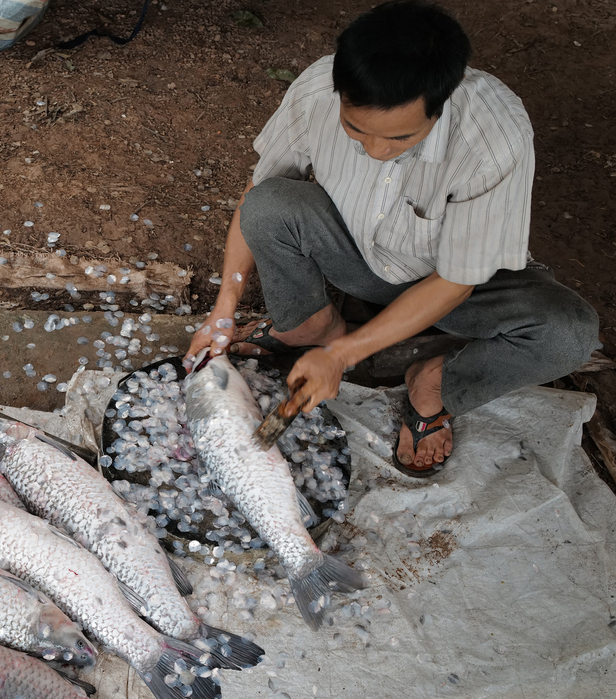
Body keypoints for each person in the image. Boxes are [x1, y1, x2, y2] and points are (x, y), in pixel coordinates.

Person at [186, 0, 599, 477]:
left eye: (401, 139)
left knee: (569, 335)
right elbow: (255, 197)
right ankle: (309, 327)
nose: (377, 151)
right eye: (355, 130)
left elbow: (455, 282)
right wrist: (224, 308)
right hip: (360, 258)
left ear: (440, 106)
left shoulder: (493, 138)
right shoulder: (318, 91)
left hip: (459, 286)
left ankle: (433, 384)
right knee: (269, 203)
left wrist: (342, 358)